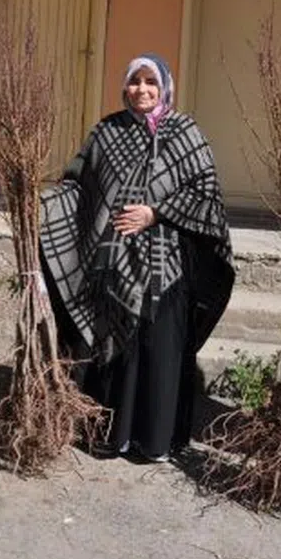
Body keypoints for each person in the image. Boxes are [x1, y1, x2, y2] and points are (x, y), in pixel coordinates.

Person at [40, 54, 234, 461]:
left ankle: (155, 440)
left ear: (165, 86)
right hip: (113, 261)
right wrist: (42, 205)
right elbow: (78, 182)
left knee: (160, 350)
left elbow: (207, 196)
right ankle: (112, 434)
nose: (142, 90)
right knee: (116, 346)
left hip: (169, 264)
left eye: (150, 82)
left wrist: (155, 212)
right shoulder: (106, 131)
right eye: (134, 81)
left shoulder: (186, 133)